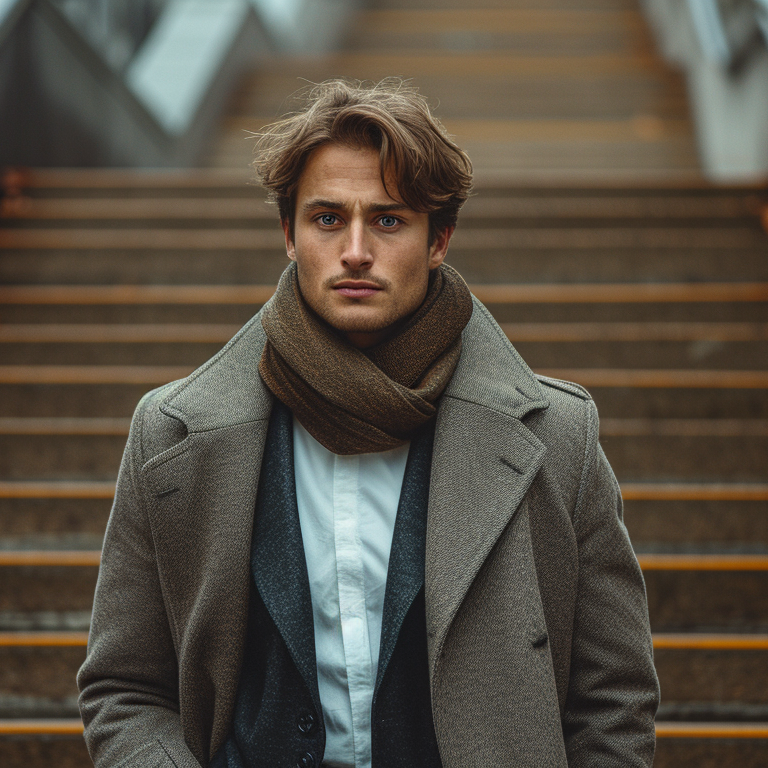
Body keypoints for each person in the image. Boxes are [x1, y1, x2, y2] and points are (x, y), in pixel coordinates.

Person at [77, 78, 659, 768]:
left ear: (439, 239)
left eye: (388, 220)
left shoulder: (558, 437)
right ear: (288, 235)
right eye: (327, 219)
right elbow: (124, 688)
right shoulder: (173, 435)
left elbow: (615, 700)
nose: (356, 250)